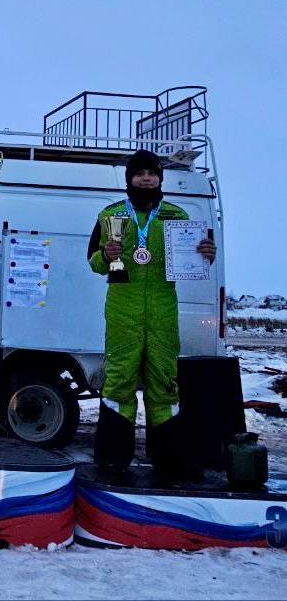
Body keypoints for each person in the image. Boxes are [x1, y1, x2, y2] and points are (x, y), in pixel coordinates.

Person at [88, 149, 216, 478]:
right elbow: (93, 261)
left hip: (162, 306)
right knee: (119, 382)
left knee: (164, 382)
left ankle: (170, 460)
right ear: (129, 178)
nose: (146, 178)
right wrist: (106, 253)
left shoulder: (177, 215)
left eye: (152, 173)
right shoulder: (110, 214)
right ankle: (112, 459)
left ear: (160, 177)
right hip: (123, 306)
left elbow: (198, 261)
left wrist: (206, 253)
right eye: (139, 173)